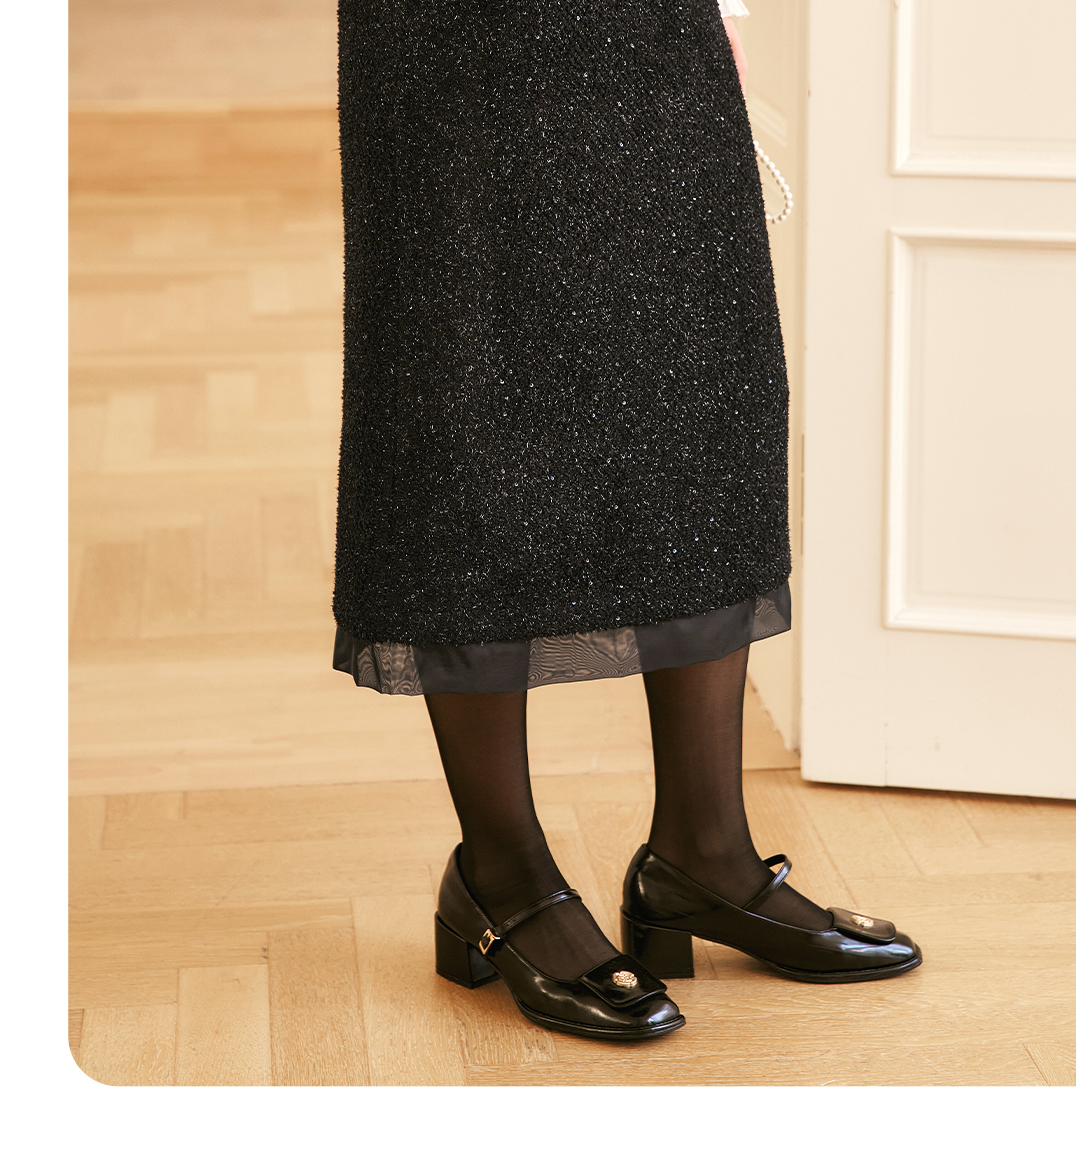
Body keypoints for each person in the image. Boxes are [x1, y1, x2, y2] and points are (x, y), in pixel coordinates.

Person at [332, 0, 920, 1042]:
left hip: (650, 22)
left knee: (692, 378)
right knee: (470, 394)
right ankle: (503, 874)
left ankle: (704, 850)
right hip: (447, 37)